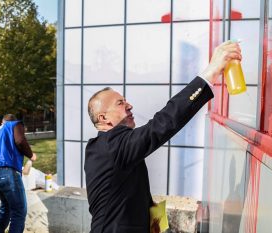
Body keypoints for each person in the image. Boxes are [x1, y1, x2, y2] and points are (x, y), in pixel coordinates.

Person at [84, 41, 242, 233]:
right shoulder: (111, 146)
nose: (130, 105)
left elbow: (137, 195)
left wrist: (160, 227)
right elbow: (163, 123)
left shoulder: (113, 148)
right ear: (104, 118)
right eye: (120, 103)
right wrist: (211, 71)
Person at [0, 114, 37, 233]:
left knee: (6, 206)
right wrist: (31, 155)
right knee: (19, 211)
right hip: (7, 172)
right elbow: (20, 140)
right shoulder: (14, 124)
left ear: (1, 122)